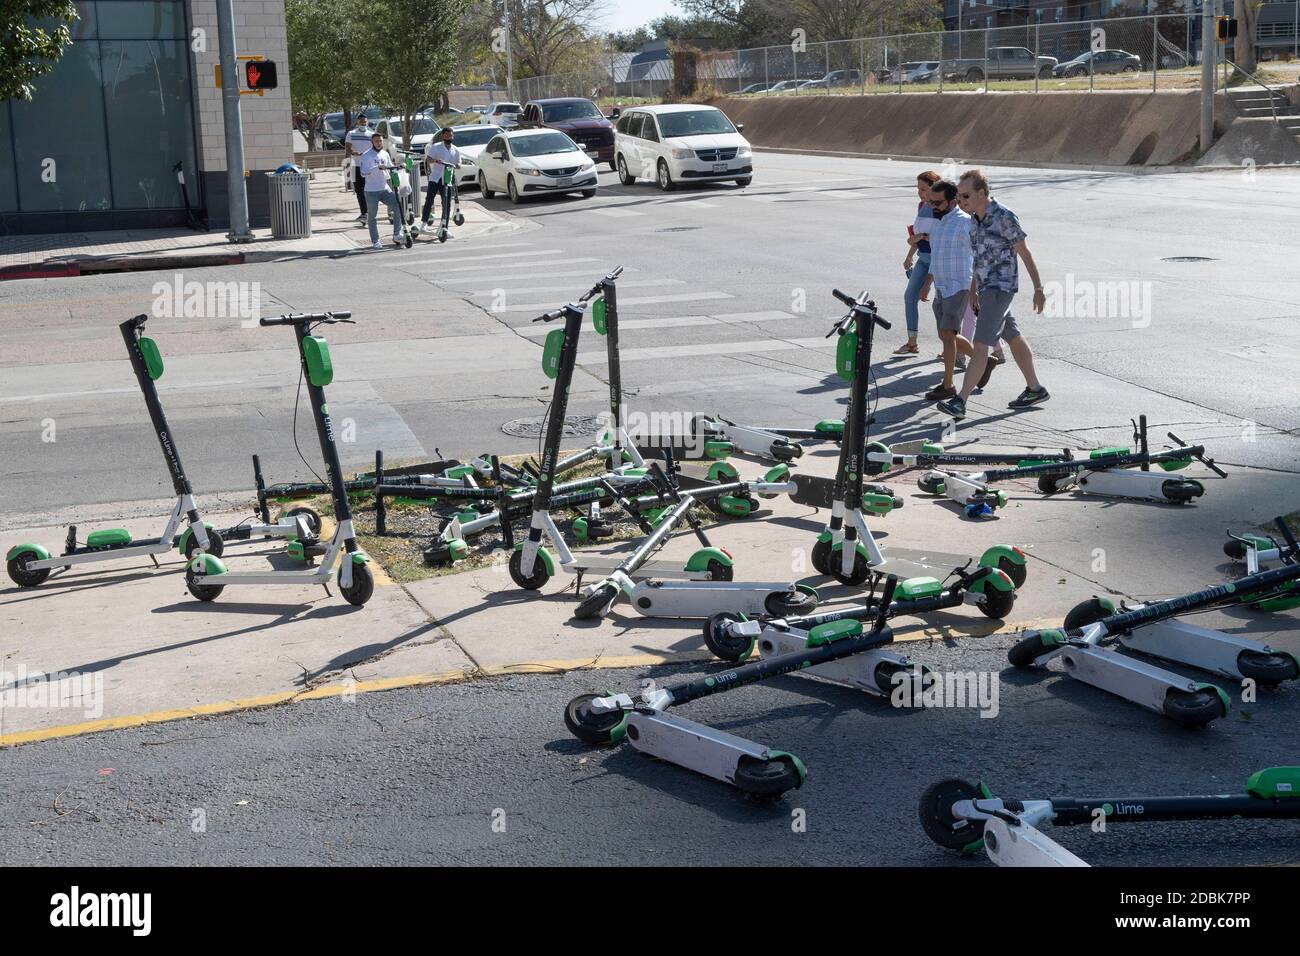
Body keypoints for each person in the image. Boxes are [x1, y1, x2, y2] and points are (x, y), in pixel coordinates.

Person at [937, 169, 1049, 421]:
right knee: (1013, 336)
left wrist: (1038, 288)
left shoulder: (1004, 217)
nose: (960, 201)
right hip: (987, 289)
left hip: (1001, 288)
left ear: (981, 193)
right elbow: (979, 259)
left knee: (980, 345)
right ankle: (1035, 388)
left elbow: (1025, 252)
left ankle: (961, 400)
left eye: (965, 196)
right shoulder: (974, 221)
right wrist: (975, 290)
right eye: (958, 196)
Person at [922, 180, 975, 402]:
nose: (933, 206)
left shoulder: (965, 223)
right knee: (947, 335)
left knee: (947, 335)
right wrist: (927, 283)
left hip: (959, 285)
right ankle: (984, 359)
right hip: (941, 287)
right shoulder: (940, 223)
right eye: (930, 201)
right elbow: (935, 257)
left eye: (938, 202)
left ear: (952, 200)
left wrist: (975, 290)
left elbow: (979, 257)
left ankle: (948, 384)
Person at [896, 170, 940, 355]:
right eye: (918, 189)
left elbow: (940, 238)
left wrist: (920, 236)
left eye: (923, 189)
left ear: (934, 188)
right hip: (923, 258)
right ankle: (912, 342)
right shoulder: (921, 205)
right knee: (909, 297)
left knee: (943, 305)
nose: (920, 193)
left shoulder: (942, 209)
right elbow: (917, 235)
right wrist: (909, 255)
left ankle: (953, 347)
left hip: (939, 263)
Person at [359, 132, 406, 250]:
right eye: (376, 141)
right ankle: (375, 241)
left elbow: (390, 167)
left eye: (380, 141)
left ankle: (397, 234)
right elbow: (363, 173)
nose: (379, 143)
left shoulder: (385, 154)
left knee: (397, 207)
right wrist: (376, 168)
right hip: (371, 191)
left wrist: (399, 167)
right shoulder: (366, 155)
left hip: (385, 188)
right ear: (372, 142)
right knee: (372, 216)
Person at [422, 126, 461, 234]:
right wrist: (435, 160)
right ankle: (424, 223)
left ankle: (445, 226)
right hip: (436, 177)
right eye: (447, 135)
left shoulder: (455, 150)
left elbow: (459, 163)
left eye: (451, 135)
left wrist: (457, 166)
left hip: (448, 178)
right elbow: (428, 160)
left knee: (447, 203)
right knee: (429, 200)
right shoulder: (436, 147)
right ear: (443, 136)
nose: (449, 137)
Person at [345, 115, 373, 223]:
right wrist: (352, 152)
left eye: (365, 122)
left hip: (369, 166)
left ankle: (369, 212)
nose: (363, 124)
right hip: (356, 166)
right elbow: (347, 147)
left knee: (369, 190)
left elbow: (376, 148)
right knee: (359, 190)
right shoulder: (351, 134)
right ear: (357, 122)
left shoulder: (371, 134)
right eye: (361, 122)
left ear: (367, 122)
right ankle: (364, 213)